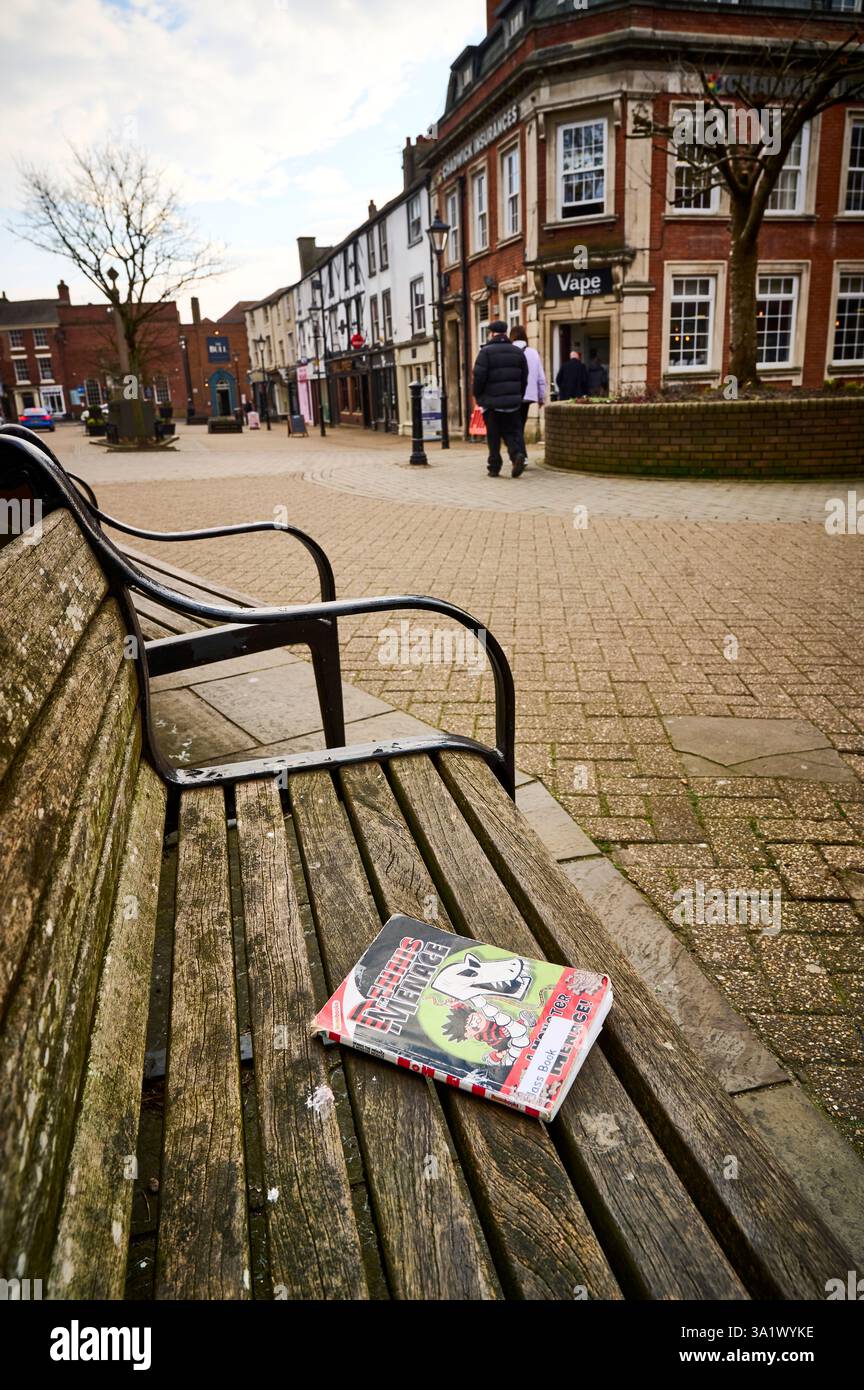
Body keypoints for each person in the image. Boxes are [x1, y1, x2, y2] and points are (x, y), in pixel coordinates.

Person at [471, 320, 529, 477]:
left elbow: (479, 377)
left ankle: (494, 466)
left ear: (491, 333)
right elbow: (524, 378)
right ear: (505, 333)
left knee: (494, 435)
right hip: (513, 403)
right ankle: (517, 455)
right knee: (511, 433)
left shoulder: (485, 352)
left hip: (491, 403)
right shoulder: (518, 352)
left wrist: (478, 396)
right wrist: (519, 396)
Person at [509, 324, 547, 437]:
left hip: (512, 395)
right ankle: (520, 450)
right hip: (528, 395)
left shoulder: (509, 351)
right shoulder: (533, 353)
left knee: (513, 426)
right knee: (521, 423)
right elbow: (541, 378)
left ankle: (518, 451)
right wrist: (541, 398)